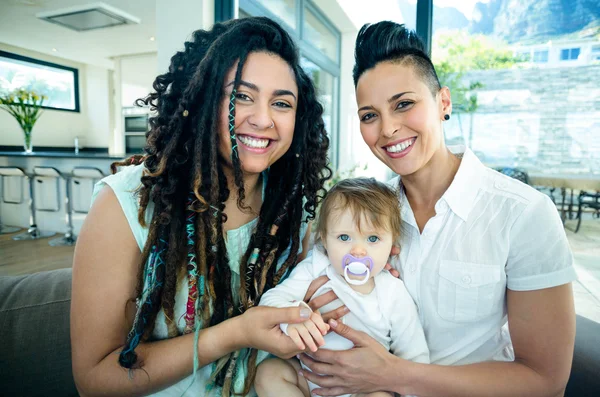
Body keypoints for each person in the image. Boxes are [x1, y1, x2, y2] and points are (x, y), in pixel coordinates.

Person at [296, 21, 578, 397]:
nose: (388, 129)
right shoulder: (364, 216)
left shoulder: (523, 214)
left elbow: (546, 382)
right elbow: (309, 280)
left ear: (443, 102)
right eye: (369, 115)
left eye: (404, 105)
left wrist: (393, 375)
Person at [70, 17, 332, 397]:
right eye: (241, 96)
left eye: (281, 102)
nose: (262, 119)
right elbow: (94, 380)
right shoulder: (126, 203)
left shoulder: (292, 207)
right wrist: (234, 333)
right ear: (202, 100)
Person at [253, 178, 429, 397]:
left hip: (365, 388)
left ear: (392, 244)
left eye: (373, 238)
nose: (358, 250)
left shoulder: (392, 291)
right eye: (344, 237)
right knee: (268, 373)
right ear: (324, 240)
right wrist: (293, 319)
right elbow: (271, 301)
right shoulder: (315, 267)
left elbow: (415, 356)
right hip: (309, 379)